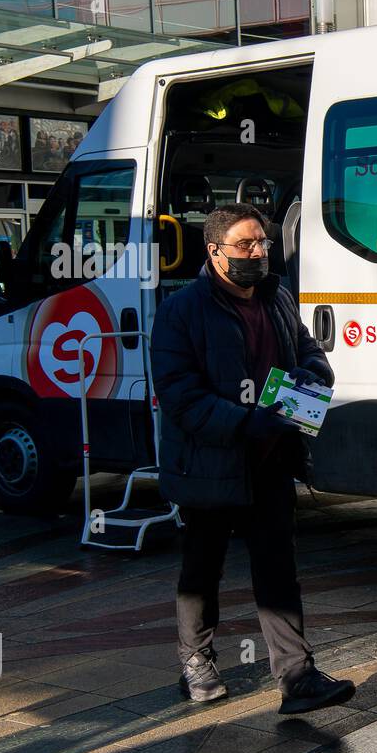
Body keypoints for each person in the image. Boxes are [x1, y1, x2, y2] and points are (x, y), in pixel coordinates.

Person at [151, 202, 354, 713]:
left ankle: (298, 677)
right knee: (203, 568)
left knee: (277, 569)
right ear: (215, 252)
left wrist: (312, 375)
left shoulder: (277, 296)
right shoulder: (182, 311)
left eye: (262, 242)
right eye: (246, 245)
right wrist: (243, 421)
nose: (259, 252)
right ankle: (196, 662)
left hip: (271, 459)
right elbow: (179, 396)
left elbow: (308, 352)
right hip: (211, 463)